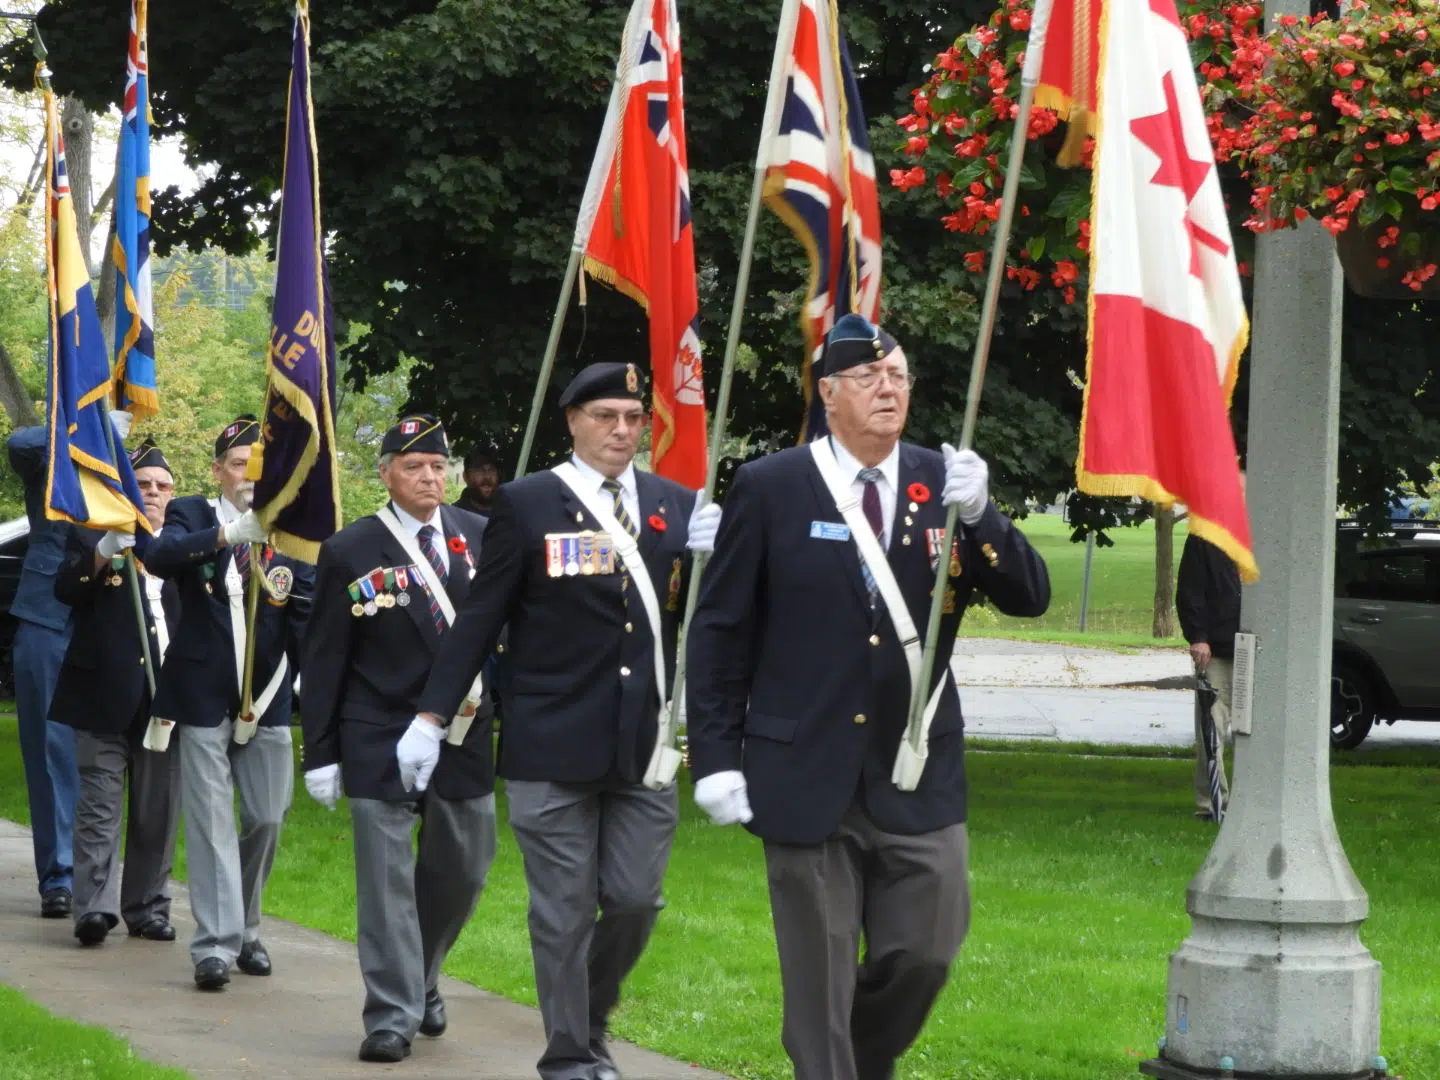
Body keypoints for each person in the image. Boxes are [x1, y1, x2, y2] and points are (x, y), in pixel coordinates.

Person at [685, 314, 1050, 1080]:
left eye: (900, 378)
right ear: (828, 393)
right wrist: (716, 757)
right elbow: (720, 633)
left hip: (916, 769)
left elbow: (1029, 597)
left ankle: (860, 1063)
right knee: (817, 983)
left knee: (926, 952)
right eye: (869, 378)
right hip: (802, 767)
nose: (889, 389)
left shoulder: (939, 484)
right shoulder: (771, 486)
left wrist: (984, 515)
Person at [414, 362, 720, 1080]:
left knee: (638, 900)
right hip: (550, 741)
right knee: (563, 910)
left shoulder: (676, 506)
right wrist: (431, 717)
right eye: (605, 416)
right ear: (573, 421)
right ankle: (571, 1055)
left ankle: (588, 1017)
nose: (621, 430)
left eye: (634, 418)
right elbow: (481, 618)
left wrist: (724, 551)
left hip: (643, 744)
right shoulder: (527, 502)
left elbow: (715, 620)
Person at [300, 415, 497, 1065]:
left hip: (463, 728)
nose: (430, 478)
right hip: (378, 725)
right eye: (414, 467)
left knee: (464, 865)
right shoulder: (352, 548)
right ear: (386, 473)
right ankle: (390, 1013)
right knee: (385, 878)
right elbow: (326, 656)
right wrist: (321, 751)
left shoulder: (481, 536)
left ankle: (422, 975)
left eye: (439, 467)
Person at [145, 414, 314, 991]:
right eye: (239, 464)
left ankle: (246, 926)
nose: (249, 475)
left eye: (259, 466)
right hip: (201, 695)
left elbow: (306, 615)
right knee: (213, 822)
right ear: (218, 470)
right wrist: (227, 536)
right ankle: (216, 945)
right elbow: (161, 557)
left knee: (266, 816)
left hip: (265, 697)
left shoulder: (291, 531)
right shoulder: (193, 514)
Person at [52, 437, 181, 946]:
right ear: (124, 487)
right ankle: (94, 908)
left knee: (157, 810)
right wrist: (106, 551)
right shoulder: (92, 531)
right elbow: (67, 589)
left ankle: (147, 907)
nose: (151, 493)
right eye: (142, 483)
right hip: (103, 693)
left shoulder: (184, 541)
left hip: (166, 699)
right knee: (99, 806)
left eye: (161, 486)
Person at [4, 411, 130, 917]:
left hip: (108, 613)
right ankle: (59, 874)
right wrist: (81, 428)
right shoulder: (50, 451)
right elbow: (18, 445)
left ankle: (104, 879)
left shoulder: (122, 459)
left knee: (112, 751)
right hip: (47, 614)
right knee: (49, 749)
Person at [1176, 530, 1242, 820]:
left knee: (1254, 731)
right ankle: (1212, 805)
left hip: (1259, 647)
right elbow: (1190, 589)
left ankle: (1251, 802)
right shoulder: (1204, 535)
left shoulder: (1270, 528)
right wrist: (1198, 636)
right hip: (1216, 648)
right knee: (1211, 728)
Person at [453, 447, 502, 516]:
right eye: (479, 470)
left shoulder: (509, 515)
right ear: (466, 476)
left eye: (492, 470)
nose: (487, 476)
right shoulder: (452, 516)